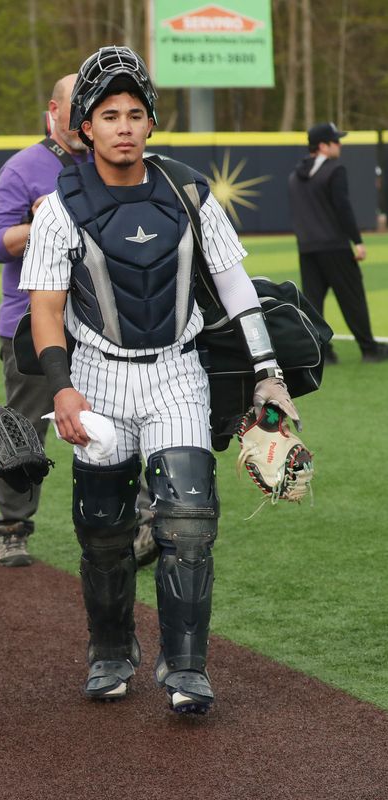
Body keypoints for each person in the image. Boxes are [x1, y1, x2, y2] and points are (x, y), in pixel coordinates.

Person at [21, 46, 300, 714]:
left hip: (176, 372)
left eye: (135, 114)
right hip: (94, 378)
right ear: (84, 127)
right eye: (109, 114)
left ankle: (186, 670)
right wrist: (61, 386)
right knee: (104, 528)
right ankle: (111, 653)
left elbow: (236, 288)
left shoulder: (188, 191)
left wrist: (269, 375)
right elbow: (46, 310)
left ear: (151, 123)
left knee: (189, 520)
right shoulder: (60, 206)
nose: (123, 125)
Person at [0, 73, 89, 566]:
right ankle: (13, 528)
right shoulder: (24, 166)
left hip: (99, 325)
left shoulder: (115, 161)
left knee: (118, 424)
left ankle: (130, 523)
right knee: (25, 431)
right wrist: (42, 221)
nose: (88, 115)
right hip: (29, 325)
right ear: (53, 108)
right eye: (79, 105)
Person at [288, 122, 388, 364]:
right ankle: (369, 349)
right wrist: (357, 240)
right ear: (323, 146)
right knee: (352, 298)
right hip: (334, 245)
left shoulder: (294, 176)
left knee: (313, 303)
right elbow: (343, 207)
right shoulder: (334, 170)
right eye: (335, 141)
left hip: (307, 247)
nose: (339, 145)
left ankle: (322, 353)